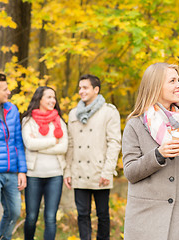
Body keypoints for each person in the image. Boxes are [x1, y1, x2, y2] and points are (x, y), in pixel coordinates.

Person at [122, 62, 179, 240]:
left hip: (178, 218)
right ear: (155, 86)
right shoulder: (135, 124)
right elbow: (130, 171)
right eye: (172, 81)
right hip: (143, 220)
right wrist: (158, 154)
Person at [64, 74, 121, 240]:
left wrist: (108, 171)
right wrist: (67, 171)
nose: (81, 91)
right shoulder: (73, 113)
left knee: (102, 214)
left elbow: (114, 142)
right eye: (80, 87)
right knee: (82, 214)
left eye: (85, 87)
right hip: (79, 171)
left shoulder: (109, 112)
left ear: (96, 89)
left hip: (100, 171)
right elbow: (71, 145)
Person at [0, 73, 27, 239]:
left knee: (14, 212)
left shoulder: (12, 109)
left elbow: (17, 142)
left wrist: (21, 171)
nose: (8, 92)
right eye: (5, 89)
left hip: (11, 173)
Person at [21, 86, 68, 240]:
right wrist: (54, 141)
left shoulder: (59, 121)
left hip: (55, 175)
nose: (52, 100)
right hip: (33, 175)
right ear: (39, 99)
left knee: (50, 218)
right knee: (31, 217)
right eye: (48, 97)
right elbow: (29, 144)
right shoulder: (28, 121)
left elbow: (64, 147)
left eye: (54, 97)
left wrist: (40, 145)